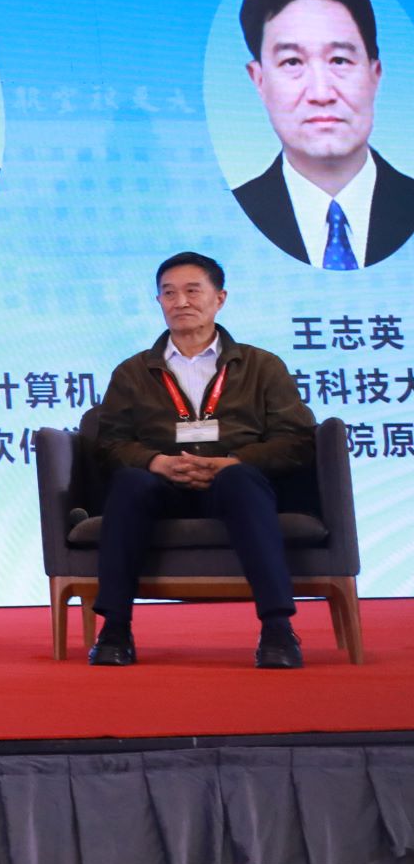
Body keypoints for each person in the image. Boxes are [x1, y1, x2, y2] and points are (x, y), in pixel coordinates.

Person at [85, 252, 315, 669]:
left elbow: (297, 439)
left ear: (219, 298)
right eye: (169, 293)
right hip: (162, 487)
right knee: (130, 483)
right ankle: (115, 629)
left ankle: (278, 629)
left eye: (193, 291)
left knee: (241, 481)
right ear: (158, 302)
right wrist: (154, 461)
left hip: (235, 485)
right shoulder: (132, 372)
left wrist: (235, 461)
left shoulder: (262, 366)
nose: (181, 302)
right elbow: (108, 444)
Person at [228, 0, 405, 269]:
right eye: (292, 62)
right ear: (259, 80)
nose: (322, 93)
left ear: (374, 74)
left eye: (339, 60)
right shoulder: (229, 214)